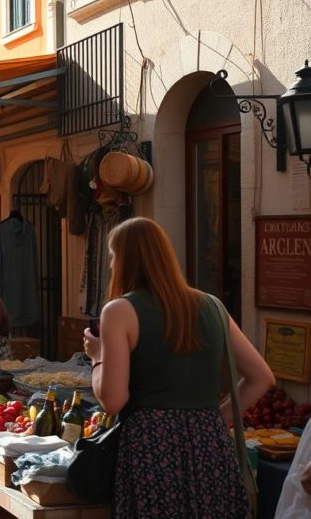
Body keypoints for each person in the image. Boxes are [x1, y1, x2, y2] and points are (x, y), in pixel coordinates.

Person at [82, 217, 273, 518]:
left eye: (112, 256)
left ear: (125, 259)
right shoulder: (212, 305)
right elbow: (262, 378)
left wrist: (98, 357)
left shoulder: (119, 310)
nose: (110, 265)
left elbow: (113, 400)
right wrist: (215, 418)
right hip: (210, 440)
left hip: (151, 444)